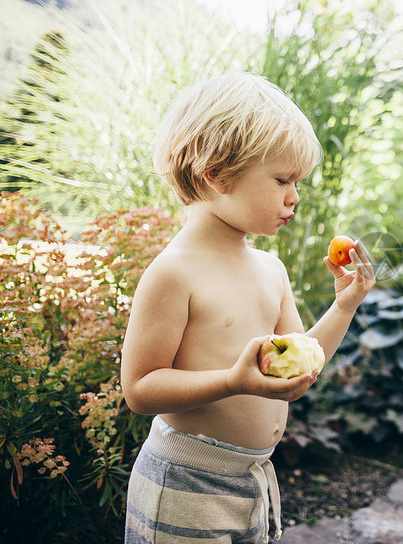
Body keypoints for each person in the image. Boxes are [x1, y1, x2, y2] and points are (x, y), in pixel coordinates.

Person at [120, 72, 375, 543]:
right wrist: (233, 382)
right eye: (282, 179)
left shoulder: (270, 268)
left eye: (296, 181)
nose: (294, 196)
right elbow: (140, 388)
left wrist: (344, 305)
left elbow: (302, 357)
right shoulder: (174, 272)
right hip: (185, 483)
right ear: (215, 174)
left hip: (251, 479)